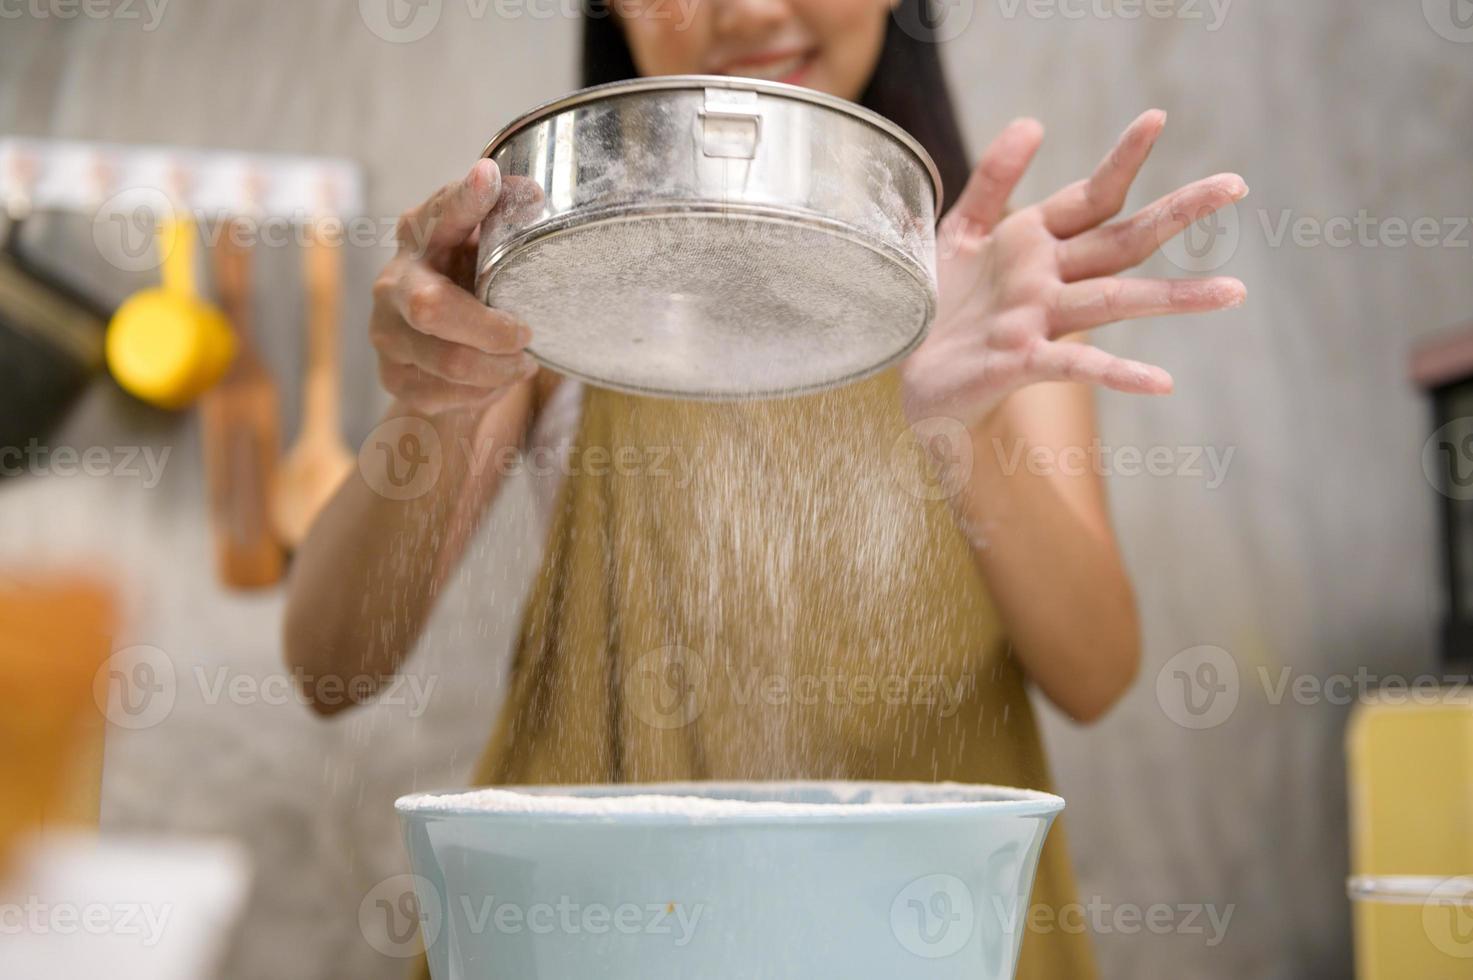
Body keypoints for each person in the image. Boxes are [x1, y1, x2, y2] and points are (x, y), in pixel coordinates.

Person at [284, 1, 1247, 974]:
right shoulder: (551, 269)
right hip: (601, 934)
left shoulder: (999, 299)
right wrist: (432, 405)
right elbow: (332, 665)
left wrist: (967, 423)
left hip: (916, 937)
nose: (746, 9)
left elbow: (1095, 672)